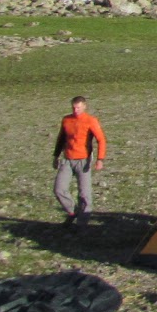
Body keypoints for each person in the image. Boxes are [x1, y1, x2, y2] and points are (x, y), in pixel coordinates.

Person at [53, 96, 107, 228]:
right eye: (73, 107)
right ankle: (72, 211)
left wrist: (100, 159)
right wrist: (56, 156)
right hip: (67, 159)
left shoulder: (90, 120)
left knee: (84, 193)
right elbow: (61, 138)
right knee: (59, 189)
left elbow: (101, 140)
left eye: (78, 107)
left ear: (84, 106)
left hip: (84, 161)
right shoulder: (67, 120)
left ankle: (82, 224)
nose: (75, 110)